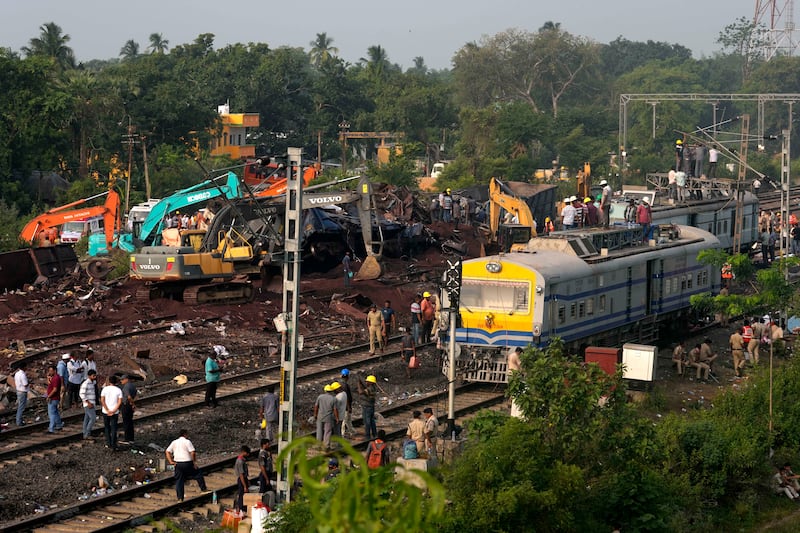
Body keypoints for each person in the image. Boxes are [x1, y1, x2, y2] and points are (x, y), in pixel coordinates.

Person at [165, 429, 208, 502]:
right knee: (198, 473)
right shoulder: (187, 442)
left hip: (178, 464)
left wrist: (171, 462)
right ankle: (203, 489)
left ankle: (180, 498)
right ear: (185, 434)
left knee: (179, 480)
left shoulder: (174, 442)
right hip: (187, 463)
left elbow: (167, 451)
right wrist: (194, 462)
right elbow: (193, 452)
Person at [313, 384, 339, 450]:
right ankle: (326, 446)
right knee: (327, 432)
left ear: (325, 390)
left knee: (319, 431)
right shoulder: (333, 399)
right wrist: (337, 418)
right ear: (331, 391)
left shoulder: (320, 397)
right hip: (328, 418)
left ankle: (318, 445)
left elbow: (316, 407)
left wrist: (315, 415)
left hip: (320, 417)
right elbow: (335, 410)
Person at [100, 375, 122, 450]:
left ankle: (108, 443)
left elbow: (102, 400)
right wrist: (113, 410)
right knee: (114, 428)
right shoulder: (118, 390)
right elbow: (119, 402)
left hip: (105, 411)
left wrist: (107, 410)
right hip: (114, 412)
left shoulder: (104, 389)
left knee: (107, 427)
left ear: (109, 381)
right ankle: (114, 444)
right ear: (116, 382)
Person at [79, 369, 98, 440]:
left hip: (91, 403)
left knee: (86, 419)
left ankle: (85, 433)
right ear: (89, 376)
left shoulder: (93, 383)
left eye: (95, 375)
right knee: (93, 418)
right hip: (88, 404)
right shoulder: (86, 383)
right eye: (93, 375)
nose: (95, 377)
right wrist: (88, 402)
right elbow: (81, 394)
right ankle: (87, 433)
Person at [257, 439, 276, 509]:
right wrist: (266, 478)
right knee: (263, 491)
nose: (269, 445)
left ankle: (267, 506)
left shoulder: (266, 453)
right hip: (265, 475)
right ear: (264, 445)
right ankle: (260, 506)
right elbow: (262, 467)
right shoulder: (262, 454)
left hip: (267, 474)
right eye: (268, 444)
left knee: (268, 490)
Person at [358, 375, 378, 441]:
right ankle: (375, 434)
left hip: (367, 407)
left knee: (367, 422)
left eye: (368, 381)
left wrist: (359, 385)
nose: (366, 382)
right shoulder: (373, 388)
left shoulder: (370, 389)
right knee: (372, 421)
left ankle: (367, 436)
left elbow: (361, 392)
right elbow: (365, 390)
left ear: (371, 382)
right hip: (371, 406)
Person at [46, 364, 64, 434]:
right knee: (55, 412)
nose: (50, 372)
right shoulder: (54, 378)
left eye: (51, 371)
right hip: (55, 398)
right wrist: (48, 378)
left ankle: (51, 428)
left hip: (53, 398)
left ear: (54, 370)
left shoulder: (56, 378)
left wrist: (49, 396)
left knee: (52, 414)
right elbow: (50, 384)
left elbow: (55, 389)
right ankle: (59, 425)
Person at [119, 375, 137, 444]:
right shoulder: (132, 386)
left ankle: (127, 439)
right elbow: (134, 394)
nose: (121, 381)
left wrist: (132, 403)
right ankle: (131, 438)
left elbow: (129, 397)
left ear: (126, 379)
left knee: (126, 422)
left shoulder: (126, 387)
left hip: (126, 404)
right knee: (130, 421)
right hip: (129, 405)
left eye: (122, 379)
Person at [234, 445, 251, 512]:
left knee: (243, 494)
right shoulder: (240, 461)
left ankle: (243, 508)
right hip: (242, 480)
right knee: (242, 495)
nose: (248, 455)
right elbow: (241, 474)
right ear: (244, 452)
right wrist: (245, 486)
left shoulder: (241, 460)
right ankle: (241, 509)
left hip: (243, 479)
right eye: (247, 453)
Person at [508, 347, 524, 418]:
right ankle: (511, 401)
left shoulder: (510, 355)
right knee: (515, 388)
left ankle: (510, 400)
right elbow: (520, 364)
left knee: (511, 387)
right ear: (518, 352)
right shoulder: (516, 356)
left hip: (509, 372)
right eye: (520, 353)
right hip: (515, 373)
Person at [339, 369, 355, 438]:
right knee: (345, 420)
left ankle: (352, 431)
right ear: (347, 376)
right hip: (345, 406)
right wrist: (349, 407)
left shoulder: (340, 384)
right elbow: (347, 397)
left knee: (348, 420)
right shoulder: (345, 386)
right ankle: (342, 434)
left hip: (342, 405)